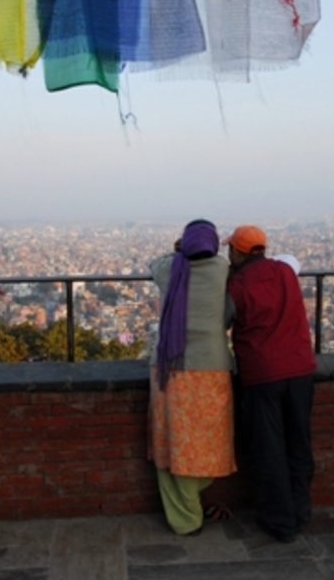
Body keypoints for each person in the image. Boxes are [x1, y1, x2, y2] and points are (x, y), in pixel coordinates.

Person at [222, 224, 316, 543]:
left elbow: (222, 320)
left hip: (263, 374)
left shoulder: (237, 285)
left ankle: (280, 521)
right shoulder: (285, 271)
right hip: (301, 369)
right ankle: (301, 511)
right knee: (299, 442)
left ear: (237, 251)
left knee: (269, 449)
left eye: (230, 249)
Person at [148, 219, 236, 536]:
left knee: (173, 441)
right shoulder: (221, 269)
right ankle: (193, 497)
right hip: (211, 368)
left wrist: (175, 252)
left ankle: (185, 514)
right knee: (209, 440)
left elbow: (152, 264)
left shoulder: (170, 268)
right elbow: (229, 312)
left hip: (170, 368)